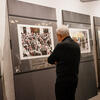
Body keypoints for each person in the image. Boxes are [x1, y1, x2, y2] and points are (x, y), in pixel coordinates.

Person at [48, 25, 80, 100]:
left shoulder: (61, 45)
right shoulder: (76, 45)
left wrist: (57, 61)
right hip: (74, 79)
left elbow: (50, 60)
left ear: (60, 35)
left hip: (63, 80)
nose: (57, 38)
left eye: (57, 36)